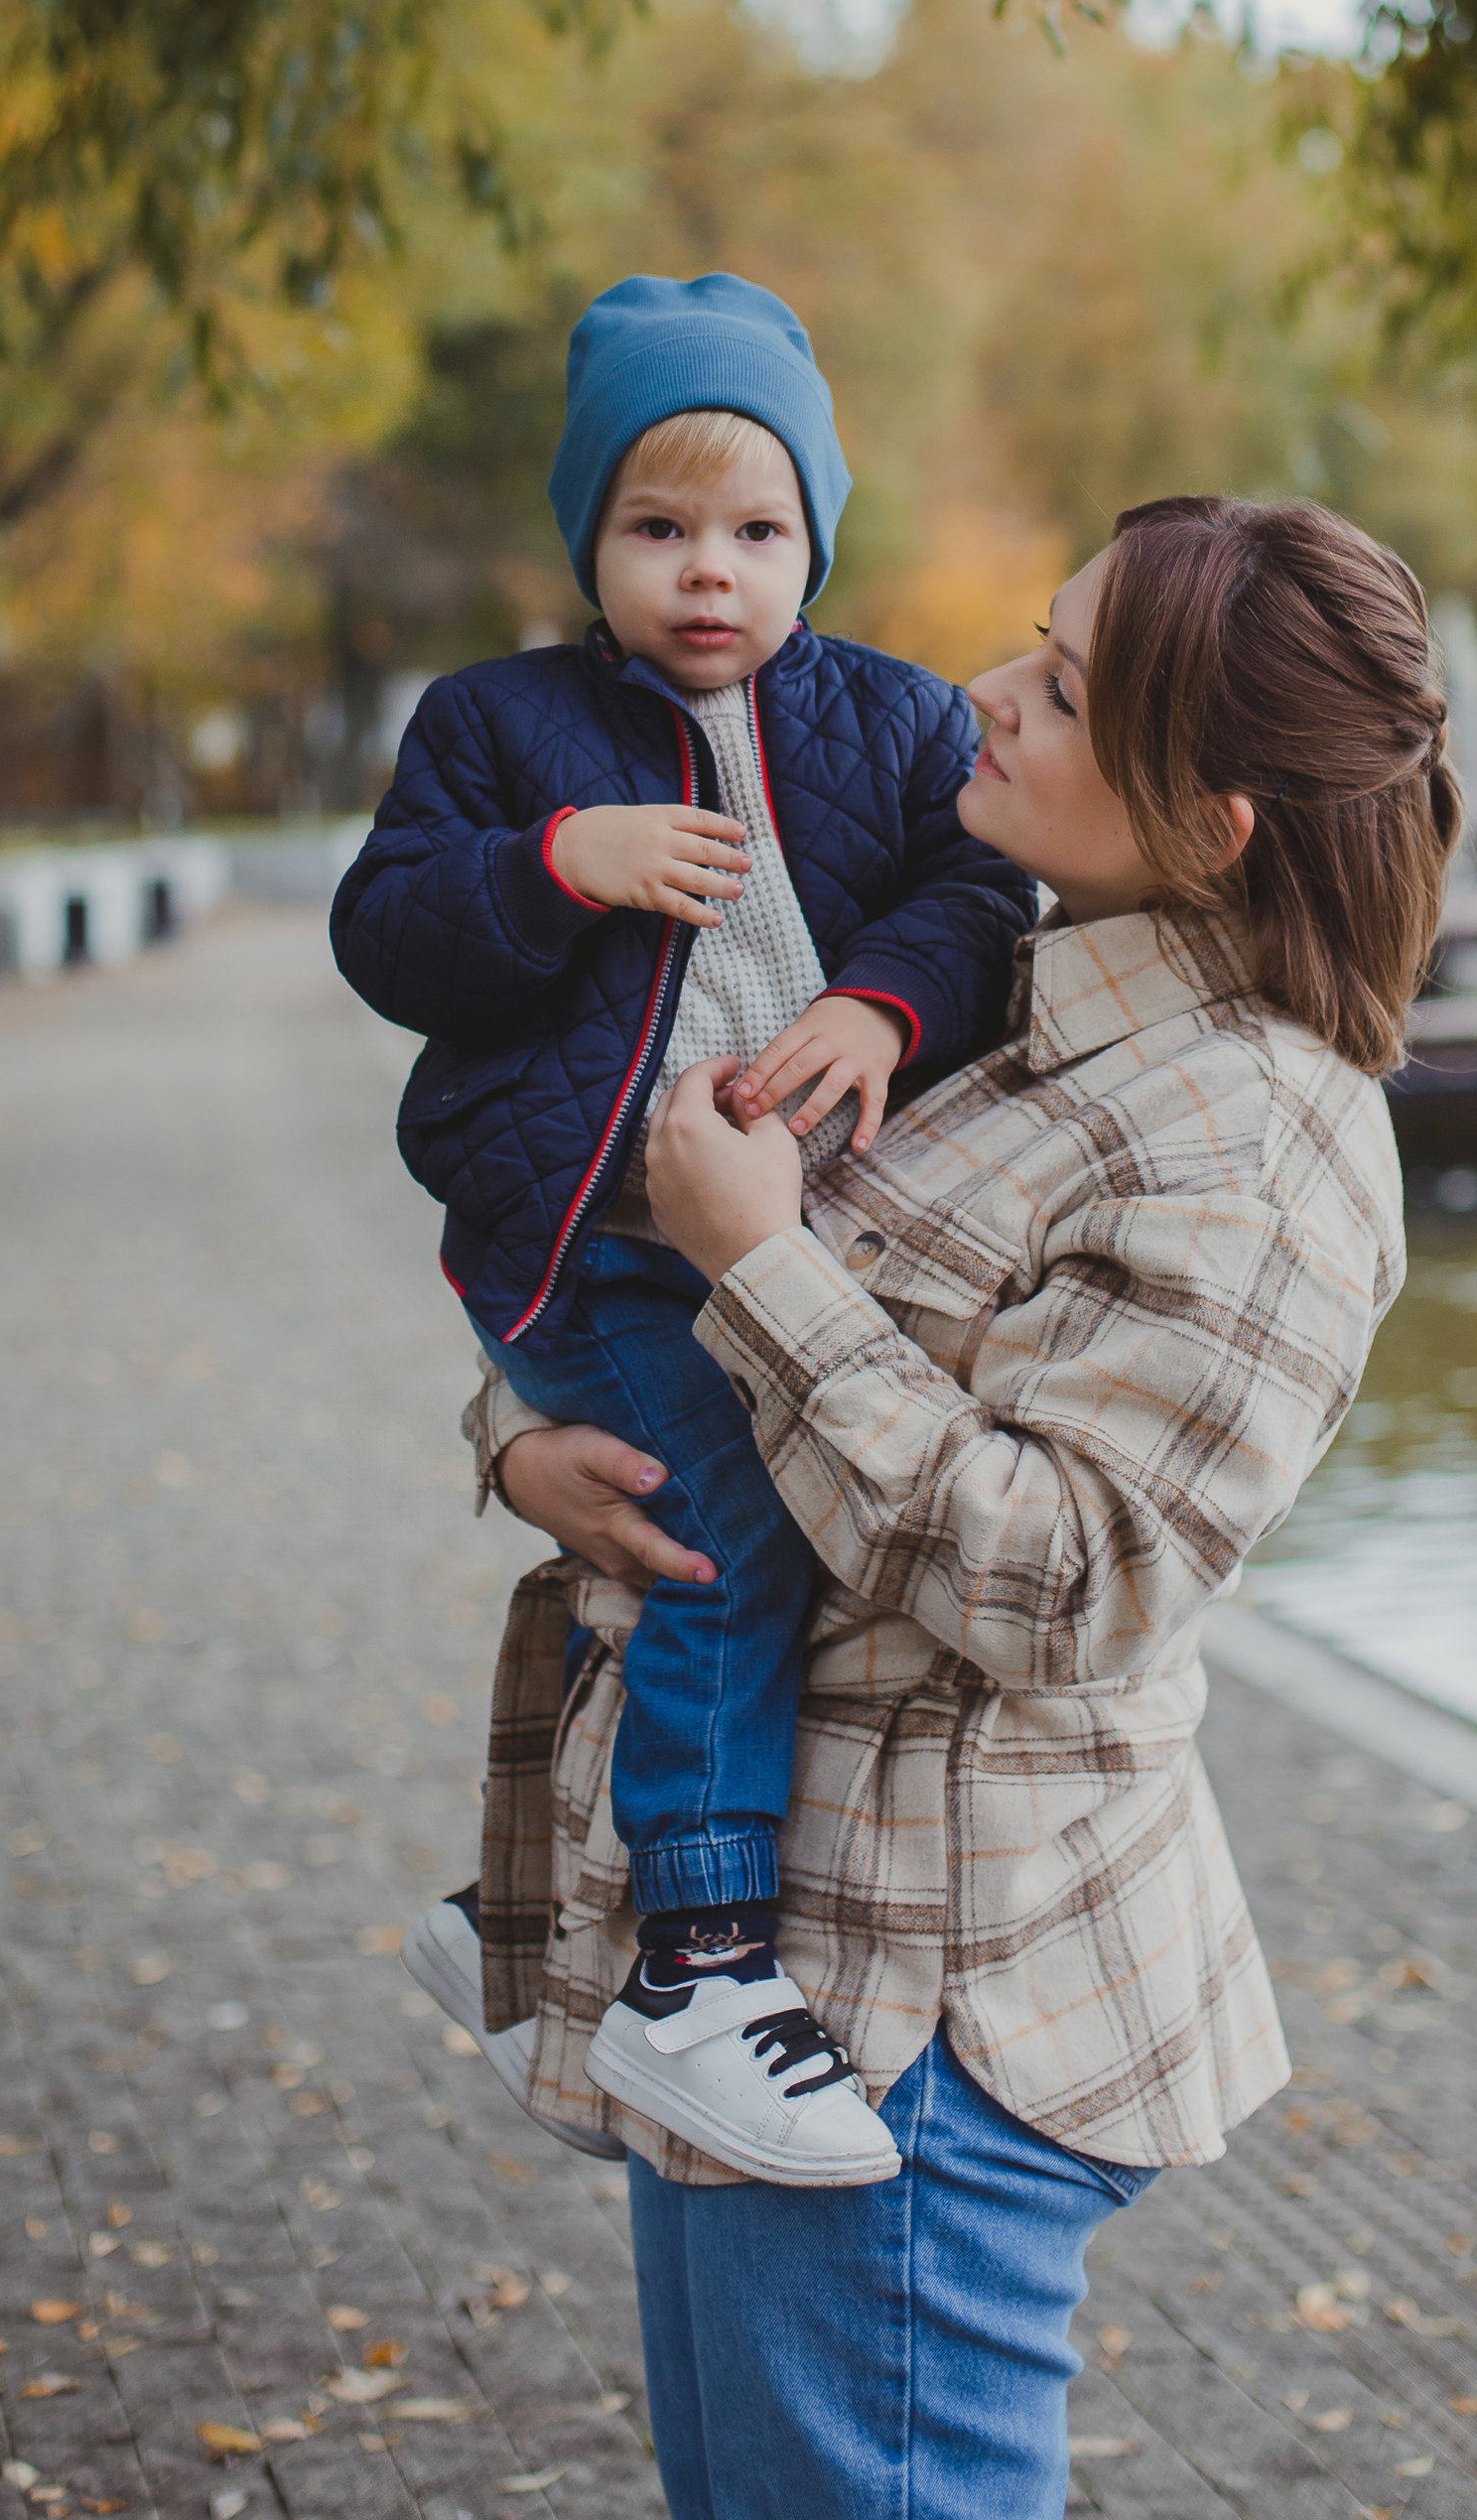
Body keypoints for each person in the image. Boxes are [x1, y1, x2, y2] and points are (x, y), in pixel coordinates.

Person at [470, 491, 1464, 2520]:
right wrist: (507, 1441)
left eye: (1061, 689)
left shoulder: (1265, 1149)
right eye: (1031, 645)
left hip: (907, 2021)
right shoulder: (993, 1000)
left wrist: (766, 1267)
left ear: (1209, 820)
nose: (983, 703)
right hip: (752, 1966)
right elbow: (651, 1282)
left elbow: (1069, 1584)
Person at [330, 272, 1034, 2183]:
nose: (708, 572)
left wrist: (882, 1000)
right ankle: (700, 1966)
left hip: (777, 1222)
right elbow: (383, 930)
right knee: (723, 1519)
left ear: (817, 536)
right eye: (658, 529)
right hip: (585, 1222)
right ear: (591, 542)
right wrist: (555, 867)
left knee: (696, 1532)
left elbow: (978, 904)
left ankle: (527, 1911)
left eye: (755, 529)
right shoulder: (501, 726)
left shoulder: (890, 725)